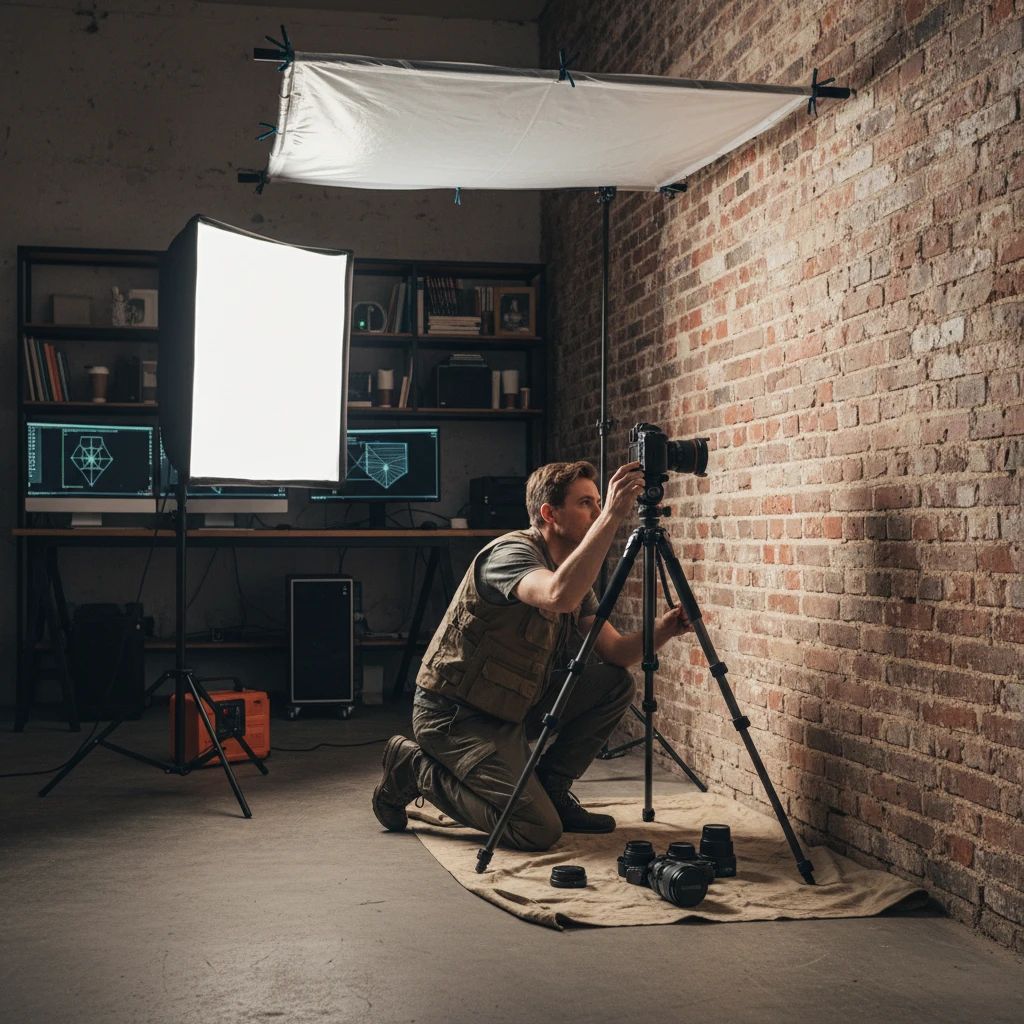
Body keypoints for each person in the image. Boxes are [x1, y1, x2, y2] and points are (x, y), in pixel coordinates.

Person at [371, 459, 692, 850]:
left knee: (614, 683)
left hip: (516, 705)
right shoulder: (510, 554)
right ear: (549, 513)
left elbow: (617, 653)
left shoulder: (570, 569)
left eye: (596, 503)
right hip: (457, 715)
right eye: (586, 503)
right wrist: (611, 515)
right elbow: (558, 595)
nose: (595, 511)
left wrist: (665, 628)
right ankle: (413, 769)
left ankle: (553, 788)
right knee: (537, 830)